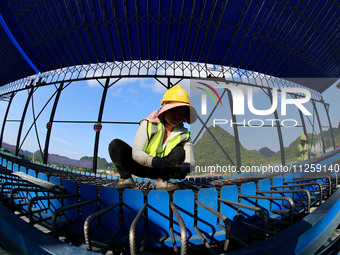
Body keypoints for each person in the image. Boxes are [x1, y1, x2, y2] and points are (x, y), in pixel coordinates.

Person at [108, 85, 197, 191]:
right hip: (140, 165)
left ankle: (162, 180)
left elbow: (190, 160)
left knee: (180, 151)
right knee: (115, 145)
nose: (177, 116)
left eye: (181, 113)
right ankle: (126, 178)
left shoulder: (184, 135)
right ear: (164, 111)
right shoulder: (148, 124)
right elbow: (136, 152)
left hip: (163, 170)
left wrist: (185, 168)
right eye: (173, 111)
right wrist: (155, 162)